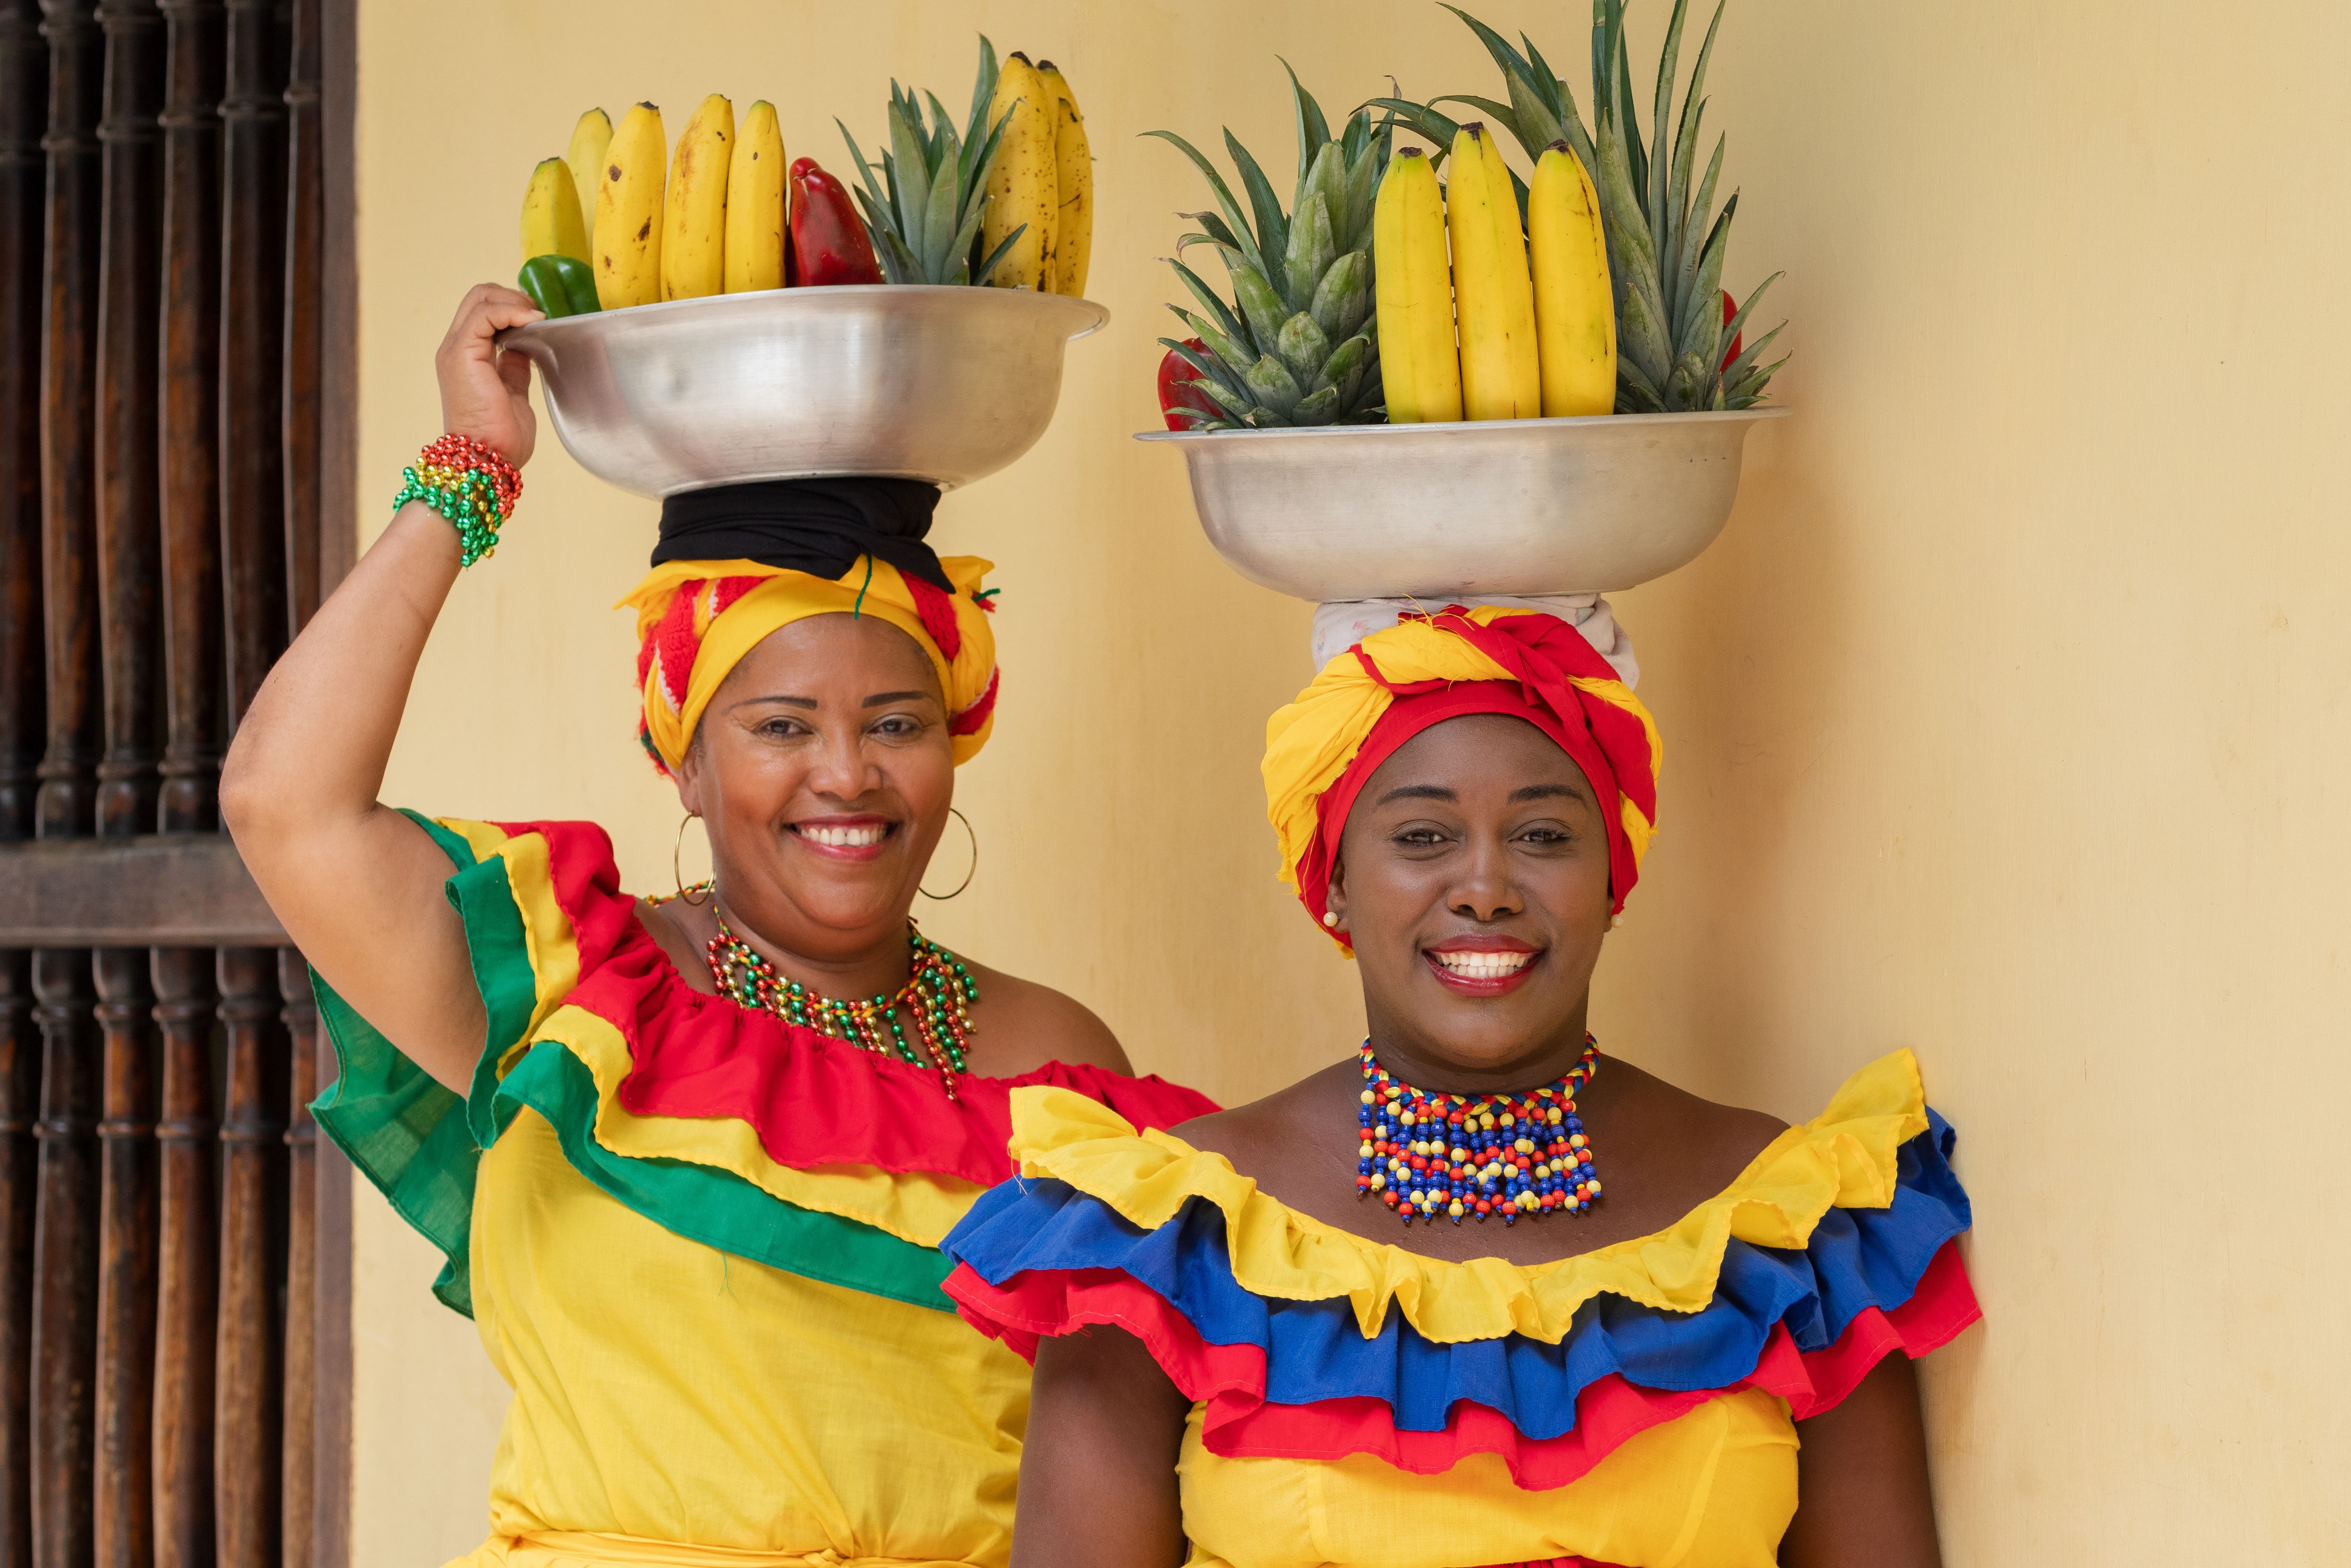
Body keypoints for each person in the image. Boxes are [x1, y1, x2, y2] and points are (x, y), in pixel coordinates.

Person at [221, 284, 1215, 1568]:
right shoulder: (565, 996)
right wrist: (472, 469)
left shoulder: (1057, 1055)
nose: (847, 775)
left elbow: (1131, 1459)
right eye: (781, 726)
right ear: (683, 760)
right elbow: (281, 802)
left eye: (898, 723)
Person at [942, 600, 1980, 1568]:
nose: (1484, 888)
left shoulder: (1794, 1224)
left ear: (1612, 879)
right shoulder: (1166, 1232)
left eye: (1542, 835)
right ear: (1335, 881)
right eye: (1422, 836)